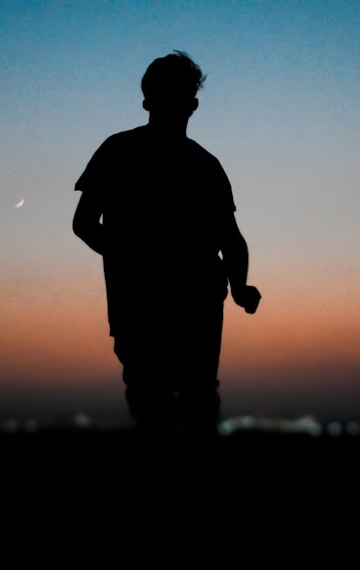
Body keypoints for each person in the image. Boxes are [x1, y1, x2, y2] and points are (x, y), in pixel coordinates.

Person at [73, 51, 261, 437]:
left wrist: (240, 287)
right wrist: (136, 260)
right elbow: (84, 224)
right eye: (167, 95)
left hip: (192, 302)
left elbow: (231, 239)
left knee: (189, 398)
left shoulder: (205, 164)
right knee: (159, 398)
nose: (176, 105)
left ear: (192, 104)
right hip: (142, 304)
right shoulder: (119, 151)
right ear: (148, 101)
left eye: (180, 96)